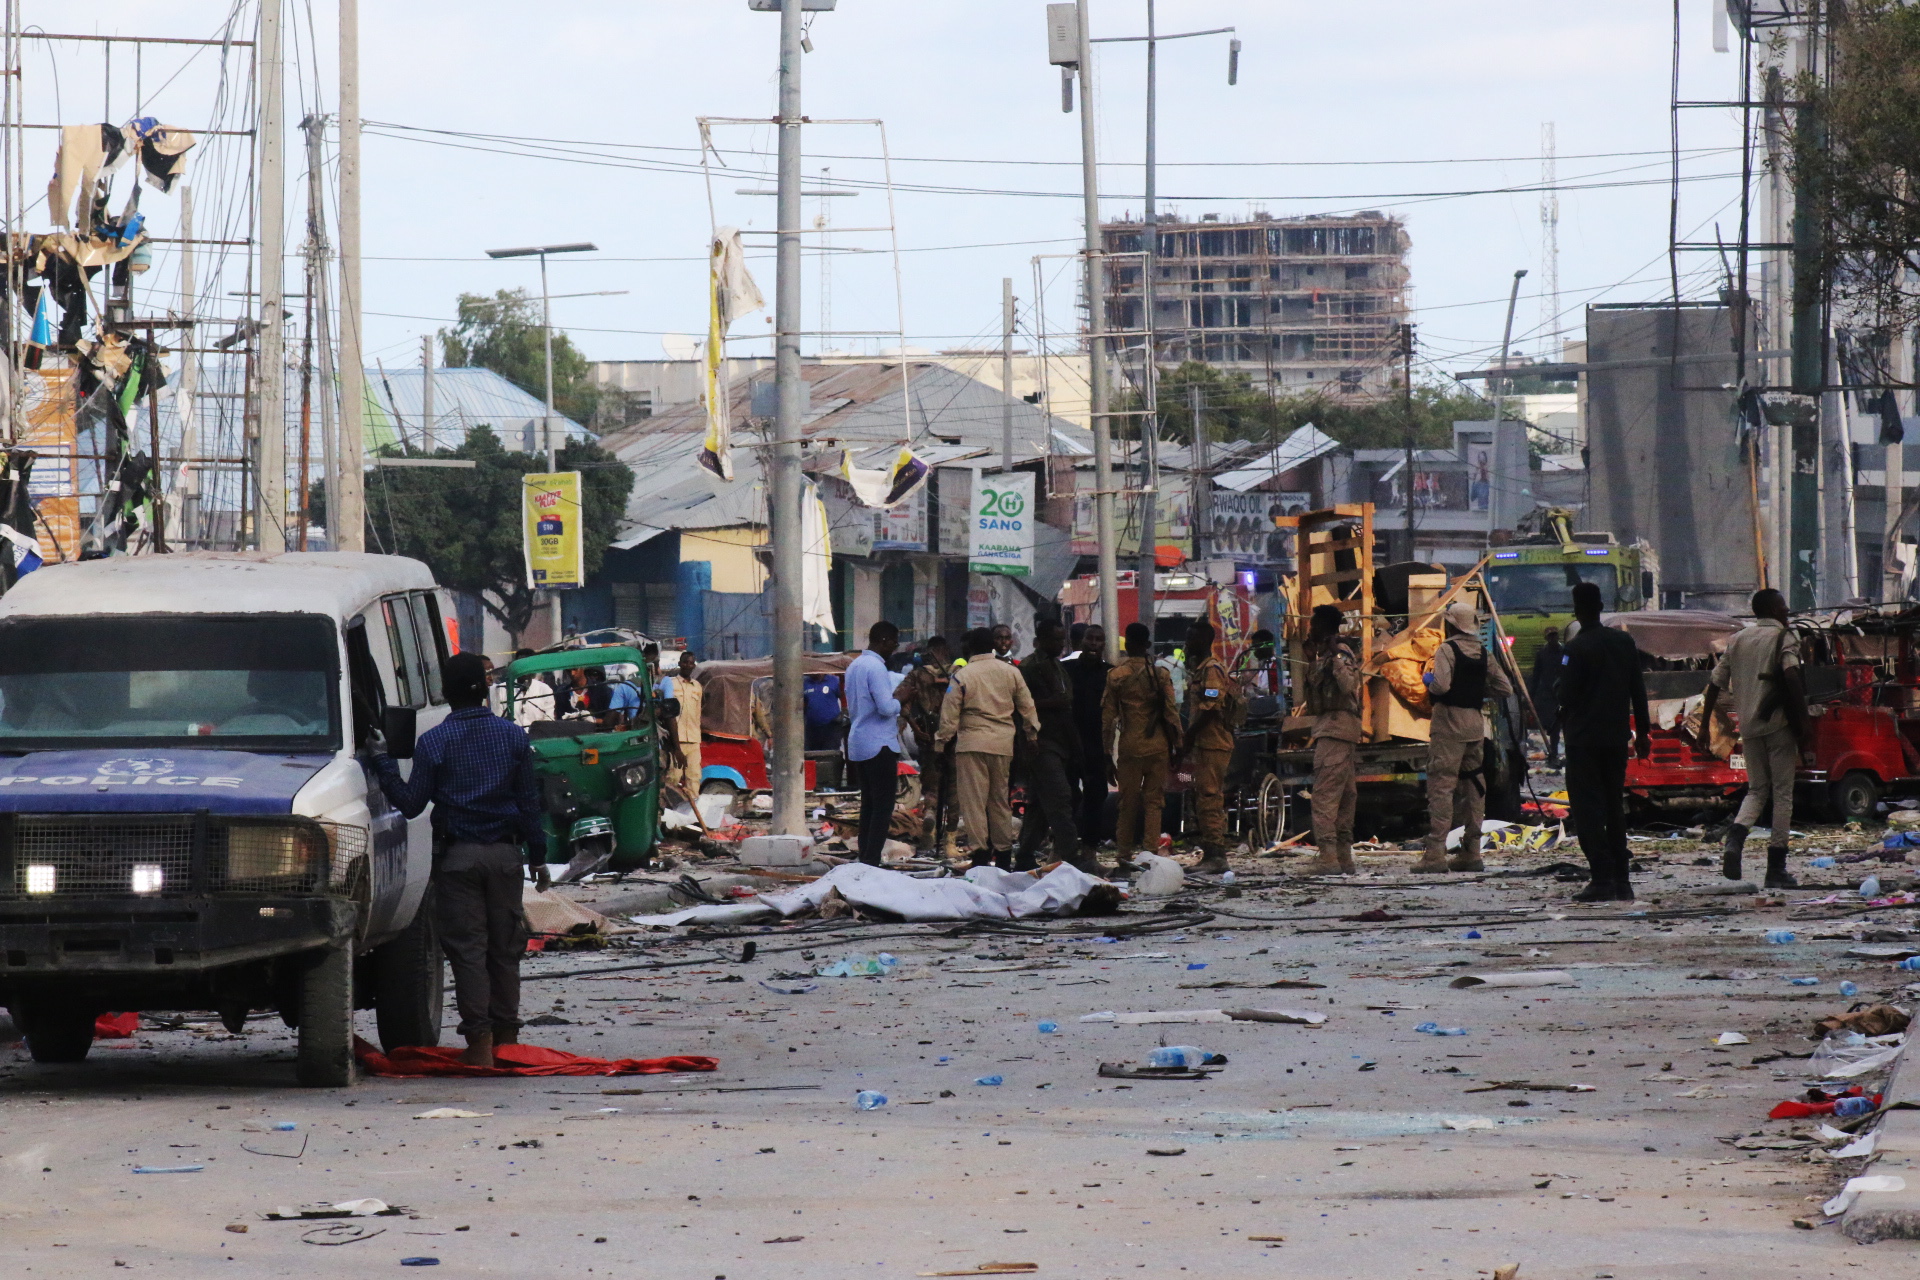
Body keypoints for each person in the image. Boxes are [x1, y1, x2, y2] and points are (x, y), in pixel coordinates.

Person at [368, 652, 545, 1067]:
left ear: (444, 694)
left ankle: (479, 1046)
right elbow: (529, 803)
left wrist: (382, 761)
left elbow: (411, 805)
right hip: (505, 856)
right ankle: (508, 1040)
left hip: (458, 859)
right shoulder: (513, 737)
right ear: (485, 690)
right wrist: (537, 855)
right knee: (505, 948)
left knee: (468, 951)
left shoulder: (434, 742)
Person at [1702, 587, 1811, 888]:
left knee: (1756, 790)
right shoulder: (1783, 639)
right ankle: (1776, 867)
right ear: (1775, 610)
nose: (1787, 611)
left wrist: (1702, 728)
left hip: (1748, 728)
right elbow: (1791, 677)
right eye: (1784, 607)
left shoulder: (1738, 640)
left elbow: (1714, 684)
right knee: (1783, 795)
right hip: (1778, 727)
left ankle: (1735, 838)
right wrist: (1803, 723)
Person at [1556, 581, 1652, 901]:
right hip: (1615, 738)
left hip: (1584, 740)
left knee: (1588, 809)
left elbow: (1565, 694)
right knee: (1613, 805)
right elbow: (1638, 689)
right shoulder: (1624, 642)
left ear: (1578, 611)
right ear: (1601, 607)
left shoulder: (1575, 648)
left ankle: (1600, 878)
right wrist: (1644, 734)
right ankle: (1622, 881)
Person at [1416, 600, 1515, 874]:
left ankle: (1435, 854)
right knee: (1474, 786)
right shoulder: (1484, 653)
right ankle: (1471, 852)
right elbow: (1505, 689)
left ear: (1449, 625)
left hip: (1449, 725)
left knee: (1442, 786)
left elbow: (1441, 685)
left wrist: (1429, 682)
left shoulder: (1447, 650)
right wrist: (1477, 692)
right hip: (1474, 725)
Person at [935, 627, 1040, 867]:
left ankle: (981, 854)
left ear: (970, 648)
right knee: (1000, 801)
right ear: (992, 645)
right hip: (1003, 744)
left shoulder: (961, 676)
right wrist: (1031, 735)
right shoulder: (1011, 672)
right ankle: (1003, 855)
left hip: (971, 744)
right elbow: (1027, 706)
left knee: (974, 802)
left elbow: (949, 715)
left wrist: (940, 746)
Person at [1103, 621, 1181, 868]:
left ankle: (1124, 855)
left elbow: (1107, 719)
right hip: (1157, 747)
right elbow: (1171, 714)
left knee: (1127, 803)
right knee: (1154, 801)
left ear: (1127, 644)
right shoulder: (1160, 675)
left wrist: (1106, 753)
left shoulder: (1116, 676)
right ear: (1147, 645)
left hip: (1129, 747)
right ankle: (1150, 854)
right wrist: (1177, 746)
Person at [1015, 619, 1085, 870]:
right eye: (1055, 639)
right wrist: (1050, 703)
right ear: (1041, 640)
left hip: (1061, 740)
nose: (1060, 644)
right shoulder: (1030, 668)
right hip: (1041, 743)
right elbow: (1021, 706)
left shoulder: (1057, 667)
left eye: (1061, 639)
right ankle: (1071, 856)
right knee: (1059, 797)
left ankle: (1024, 855)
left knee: (1039, 806)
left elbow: (1066, 705)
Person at [1302, 604, 1362, 875]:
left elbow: (1348, 685)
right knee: (1346, 795)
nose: (1310, 628)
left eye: (1314, 624)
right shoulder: (1323, 655)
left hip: (1336, 728)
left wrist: (1335, 652)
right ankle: (1343, 857)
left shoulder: (1340, 653)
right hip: (1335, 726)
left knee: (1325, 796)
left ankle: (1329, 857)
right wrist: (1312, 659)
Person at [1178, 620, 1239, 875]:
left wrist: (1190, 735)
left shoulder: (1211, 670)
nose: (1187, 643)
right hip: (1205, 744)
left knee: (1210, 798)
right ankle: (1211, 852)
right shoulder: (1200, 670)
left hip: (1212, 743)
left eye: (1191, 637)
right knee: (1203, 797)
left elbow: (1213, 702)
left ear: (1204, 641)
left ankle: (1216, 855)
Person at [845, 621, 904, 866]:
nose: (894, 648)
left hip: (858, 742)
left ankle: (865, 855)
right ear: (883, 640)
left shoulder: (854, 665)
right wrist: (901, 700)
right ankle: (871, 859)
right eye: (893, 642)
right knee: (882, 806)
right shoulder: (876, 667)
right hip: (880, 744)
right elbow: (886, 707)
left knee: (868, 803)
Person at [897, 636, 955, 847]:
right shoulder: (957, 674)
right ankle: (950, 840)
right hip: (954, 738)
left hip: (928, 737)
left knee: (931, 785)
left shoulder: (916, 675)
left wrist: (913, 725)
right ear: (945, 650)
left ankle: (930, 813)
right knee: (953, 788)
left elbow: (900, 699)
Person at [1063, 622, 1113, 853]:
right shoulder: (1067, 670)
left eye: (1098, 639)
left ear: (1104, 644)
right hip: (1069, 742)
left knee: (1097, 793)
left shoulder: (1110, 674)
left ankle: (1089, 849)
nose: (1094, 643)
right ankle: (1066, 844)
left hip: (1097, 744)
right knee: (1068, 794)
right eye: (1090, 639)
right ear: (1081, 642)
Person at [658, 650, 704, 799]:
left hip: (694, 739)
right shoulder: (670, 684)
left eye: (691, 663)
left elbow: (698, 713)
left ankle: (691, 815)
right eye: (685, 662)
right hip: (676, 740)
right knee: (674, 777)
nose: (688, 665)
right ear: (679, 664)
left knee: (694, 778)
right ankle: (669, 814)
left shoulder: (697, 686)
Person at [1531, 627, 1564, 769]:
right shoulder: (1542, 654)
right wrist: (1531, 695)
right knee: (1551, 726)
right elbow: (1536, 675)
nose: (1553, 639)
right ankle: (1553, 754)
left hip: (1562, 693)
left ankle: (1557, 755)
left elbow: (1568, 669)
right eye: (1550, 636)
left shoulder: (1565, 652)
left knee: (1561, 726)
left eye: (1555, 636)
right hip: (1547, 695)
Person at [803, 670, 844, 752]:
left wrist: (843, 713)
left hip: (831, 727)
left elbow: (844, 697)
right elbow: (803, 703)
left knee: (830, 755)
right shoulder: (805, 683)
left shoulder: (834, 681)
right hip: (812, 729)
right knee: (812, 756)